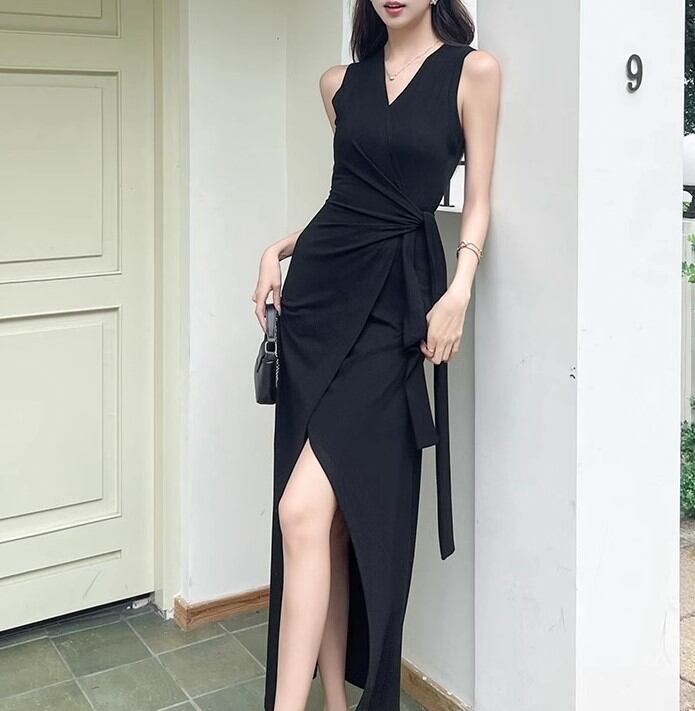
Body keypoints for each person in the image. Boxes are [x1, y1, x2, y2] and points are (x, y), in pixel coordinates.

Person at [251, 1, 500, 709]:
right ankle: (334, 701)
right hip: (318, 309)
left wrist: (459, 289)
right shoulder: (338, 84)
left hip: (393, 313)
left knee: (302, 511)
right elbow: (352, 203)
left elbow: (477, 201)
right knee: (318, 524)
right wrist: (277, 249)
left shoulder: (472, 73)